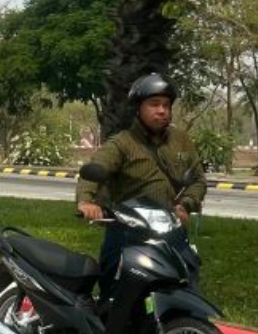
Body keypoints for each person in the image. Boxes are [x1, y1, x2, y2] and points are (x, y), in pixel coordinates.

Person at [76, 73, 206, 303]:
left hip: (169, 227)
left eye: (166, 105)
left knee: (186, 283)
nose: (161, 111)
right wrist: (86, 201)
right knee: (114, 290)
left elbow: (197, 180)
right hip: (128, 230)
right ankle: (110, 328)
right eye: (154, 104)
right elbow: (95, 168)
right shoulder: (122, 143)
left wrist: (186, 204)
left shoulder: (180, 139)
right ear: (139, 108)